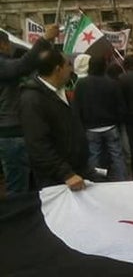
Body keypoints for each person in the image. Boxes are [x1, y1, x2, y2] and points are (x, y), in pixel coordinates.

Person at [19, 48, 92, 191]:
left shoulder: (60, 91)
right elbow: (38, 144)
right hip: (58, 181)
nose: (71, 69)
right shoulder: (32, 100)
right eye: (68, 65)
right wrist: (66, 174)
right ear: (58, 69)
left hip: (77, 170)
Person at [0, 24, 58, 195]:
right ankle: (18, 219)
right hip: (12, 133)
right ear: (2, 44)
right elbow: (22, 66)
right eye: (7, 44)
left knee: (28, 182)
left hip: (15, 131)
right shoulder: (3, 65)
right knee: (19, 185)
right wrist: (44, 39)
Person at [73, 55, 127, 181]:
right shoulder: (112, 83)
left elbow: (77, 107)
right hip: (111, 125)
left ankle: (95, 182)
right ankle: (122, 181)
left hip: (91, 127)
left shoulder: (81, 84)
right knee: (117, 156)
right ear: (104, 66)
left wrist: (80, 125)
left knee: (93, 157)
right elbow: (120, 105)